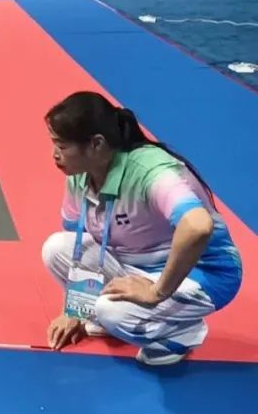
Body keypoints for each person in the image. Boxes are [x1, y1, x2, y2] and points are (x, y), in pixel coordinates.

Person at [41, 91, 243, 366]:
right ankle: (129, 313)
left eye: (62, 146)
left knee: (110, 311)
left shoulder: (152, 173)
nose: (54, 155)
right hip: (136, 263)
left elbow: (198, 226)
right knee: (56, 248)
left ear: (96, 144)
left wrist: (157, 292)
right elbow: (79, 243)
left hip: (202, 271)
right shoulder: (80, 176)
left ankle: (182, 332)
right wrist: (77, 308)